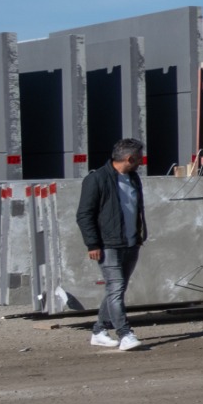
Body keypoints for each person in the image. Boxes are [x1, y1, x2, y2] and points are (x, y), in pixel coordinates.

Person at [77, 138, 148, 351]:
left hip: (130, 243)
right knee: (116, 289)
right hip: (108, 245)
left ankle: (99, 330)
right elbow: (84, 215)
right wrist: (92, 244)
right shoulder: (96, 179)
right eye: (139, 159)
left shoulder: (133, 178)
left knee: (116, 290)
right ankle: (125, 334)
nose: (141, 163)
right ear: (130, 158)